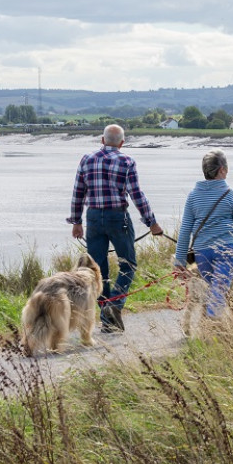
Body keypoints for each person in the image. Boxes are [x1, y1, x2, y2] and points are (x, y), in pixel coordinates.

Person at [67, 124, 163, 333]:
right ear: (121, 143)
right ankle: (113, 307)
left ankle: (108, 317)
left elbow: (78, 192)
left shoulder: (86, 159)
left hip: (92, 218)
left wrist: (76, 222)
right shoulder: (126, 161)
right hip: (118, 217)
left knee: (97, 270)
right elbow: (137, 194)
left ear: (102, 140)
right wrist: (152, 223)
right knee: (128, 265)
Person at [173, 149, 233, 318]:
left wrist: (179, 260)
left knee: (214, 290)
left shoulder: (193, 196)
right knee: (218, 291)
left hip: (203, 252)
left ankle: (213, 329)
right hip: (228, 249)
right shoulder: (232, 195)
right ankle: (212, 327)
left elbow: (185, 229)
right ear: (222, 169)